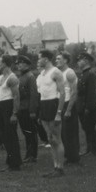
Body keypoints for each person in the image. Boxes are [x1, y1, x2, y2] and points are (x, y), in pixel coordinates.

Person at [36, 50, 66, 178]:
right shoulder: (41, 73)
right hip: (44, 105)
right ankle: (55, 166)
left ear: (46, 59)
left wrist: (59, 112)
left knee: (57, 138)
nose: (38, 61)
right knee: (50, 139)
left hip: (53, 105)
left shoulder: (56, 72)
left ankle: (60, 168)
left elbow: (62, 93)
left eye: (39, 58)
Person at [0, 54, 21, 172]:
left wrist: (14, 113)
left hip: (9, 106)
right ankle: (10, 161)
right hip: (1, 106)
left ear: (5, 63)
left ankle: (15, 163)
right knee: (4, 135)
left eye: (0, 62)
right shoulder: (1, 77)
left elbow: (16, 96)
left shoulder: (12, 78)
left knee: (11, 135)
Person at [56, 52, 80, 164]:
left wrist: (69, 109)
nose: (56, 61)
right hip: (61, 103)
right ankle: (68, 155)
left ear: (65, 60)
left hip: (68, 104)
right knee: (63, 132)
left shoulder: (69, 73)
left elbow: (74, 92)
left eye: (59, 59)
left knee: (70, 132)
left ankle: (74, 157)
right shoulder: (59, 73)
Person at [15, 55, 40, 164]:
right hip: (21, 108)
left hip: (28, 109)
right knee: (26, 132)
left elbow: (33, 95)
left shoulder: (30, 77)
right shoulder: (21, 77)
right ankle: (28, 153)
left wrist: (32, 111)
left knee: (31, 132)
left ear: (27, 64)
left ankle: (32, 155)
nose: (19, 65)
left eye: (21, 63)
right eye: (18, 63)